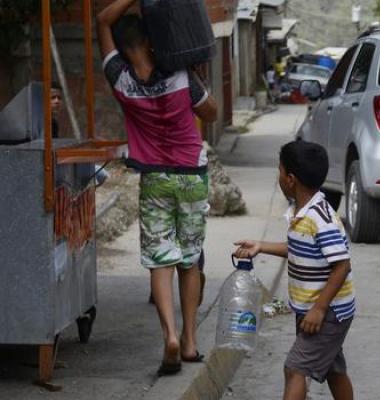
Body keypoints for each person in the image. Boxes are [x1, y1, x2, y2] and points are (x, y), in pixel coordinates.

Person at [96, 0, 218, 376]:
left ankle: (168, 335)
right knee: (189, 257)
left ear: (121, 47)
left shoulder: (120, 80)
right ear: (152, 43)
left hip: (155, 179)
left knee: (160, 258)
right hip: (191, 176)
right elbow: (211, 113)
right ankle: (191, 340)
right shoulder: (181, 76)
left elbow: (102, 20)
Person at [234, 140, 355, 400]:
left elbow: (342, 265)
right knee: (333, 369)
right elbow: (299, 249)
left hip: (328, 311)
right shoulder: (302, 212)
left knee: (294, 368)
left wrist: (319, 309)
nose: (278, 176)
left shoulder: (320, 219)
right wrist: (261, 246)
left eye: (279, 170)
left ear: (290, 179)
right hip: (313, 309)